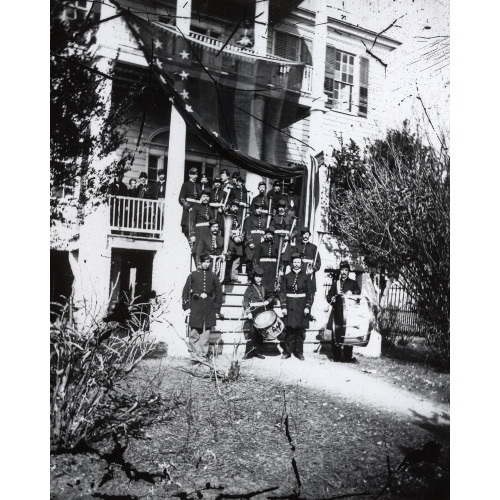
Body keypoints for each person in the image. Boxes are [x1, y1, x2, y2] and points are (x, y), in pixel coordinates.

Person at [182, 253, 223, 363]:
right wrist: (186, 307)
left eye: (208, 262)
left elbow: (219, 293)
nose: (206, 264)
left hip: (208, 307)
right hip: (196, 306)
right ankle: (194, 356)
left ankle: (203, 357)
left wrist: (216, 308)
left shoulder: (213, 276)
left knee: (205, 334)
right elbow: (185, 291)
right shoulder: (193, 275)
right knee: (194, 332)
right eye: (204, 262)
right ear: (200, 262)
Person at [279, 253, 314, 360]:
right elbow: (282, 292)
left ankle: (299, 352)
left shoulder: (306, 277)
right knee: (289, 330)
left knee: (300, 330)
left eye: (298, 262)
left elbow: (310, 293)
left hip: (301, 305)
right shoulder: (286, 277)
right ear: (291, 263)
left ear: (301, 263)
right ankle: (287, 352)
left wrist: (308, 306)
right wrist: (283, 306)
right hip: (289, 305)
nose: (296, 264)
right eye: (294, 262)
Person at [326, 260, 361, 361]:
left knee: (348, 333)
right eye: (342, 270)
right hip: (337, 312)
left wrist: (352, 292)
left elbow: (358, 293)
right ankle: (336, 356)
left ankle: (347, 356)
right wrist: (331, 298)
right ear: (340, 271)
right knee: (336, 333)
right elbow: (329, 295)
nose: (344, 272)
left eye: (346, 270)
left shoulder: (353, 283)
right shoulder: (335, 283)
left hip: (349, 313)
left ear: (348, 271)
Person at [242, 267, 274, 359]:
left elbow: (272, 296)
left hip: (262, 313)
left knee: (260, 333)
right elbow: (245, 300)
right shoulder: (250, 288)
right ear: (253, 277)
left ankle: (257, 352)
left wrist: (268, 301)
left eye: (260, 277)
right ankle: (248, 353)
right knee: (252, 332)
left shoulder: (265, 287)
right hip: (253, 312)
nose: (258, 278)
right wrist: (248, 312)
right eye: (256, 276)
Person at [189, 191, 215, 266]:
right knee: (198, 251)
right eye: (204, 196)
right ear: (201, 197)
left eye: (207, 197)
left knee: (208, 250)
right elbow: (192, 221)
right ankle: (198, 267)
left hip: (208, 232)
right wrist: (192, 234)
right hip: (199, 232)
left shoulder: (210, 209)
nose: (205, 198)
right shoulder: (196, 207)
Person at [243, 203, 266, 280]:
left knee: (258, 259)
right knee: (250, 259)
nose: (259, 210)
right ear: (254, 209)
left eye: (261, 209)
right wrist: (250, 242)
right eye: (258, 208)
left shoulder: (264, 219)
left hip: (260, 241)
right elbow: (247, 230)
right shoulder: (249, 219)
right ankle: (250, 278)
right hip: (253, 240)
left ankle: (257, 277)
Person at [224, 200, 244, 284]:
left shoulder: (239, 217)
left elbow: (242, 229)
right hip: (230, 241)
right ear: (230, 207)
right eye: (233, 206)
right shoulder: (226, 216)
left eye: (236, 207)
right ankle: (227, 277)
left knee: (237, 260)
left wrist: (241, 237)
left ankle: (234, 277)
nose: (235, 208)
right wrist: (233, 236)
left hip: (238, 241)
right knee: (229, 259)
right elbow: (225, 228)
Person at [295, 227, 321, 292]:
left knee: (309, 290)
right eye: (304, 234)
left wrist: (313, 269)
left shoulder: (314, 247)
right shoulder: (297, 246)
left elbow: (318, 262)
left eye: (307, 234)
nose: (305, 236)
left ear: (309, 235)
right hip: (299, 270)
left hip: (309, 271)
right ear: (302, 235)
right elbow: (292, 260)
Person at [253, 227, 280, 291]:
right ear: (265, 235)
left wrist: (279, 267)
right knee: (263, 282)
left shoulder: (276, 245)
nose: (270, 236)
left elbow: (278, 257)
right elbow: (256, 257)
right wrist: (256, 267)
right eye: (268, 234)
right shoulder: (260, 245)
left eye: (271, 235)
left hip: (273, 266)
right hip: (263, 266)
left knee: (272, 282)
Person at [179, 167, 202, 239]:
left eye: (196, 174)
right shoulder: (185, 184)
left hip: (197, 209)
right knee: (188, 228)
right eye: (193, 174)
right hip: (188, 210)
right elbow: (181, 199)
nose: (195, 176)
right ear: (189, 175)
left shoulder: (199, 185)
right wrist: (189, 208)